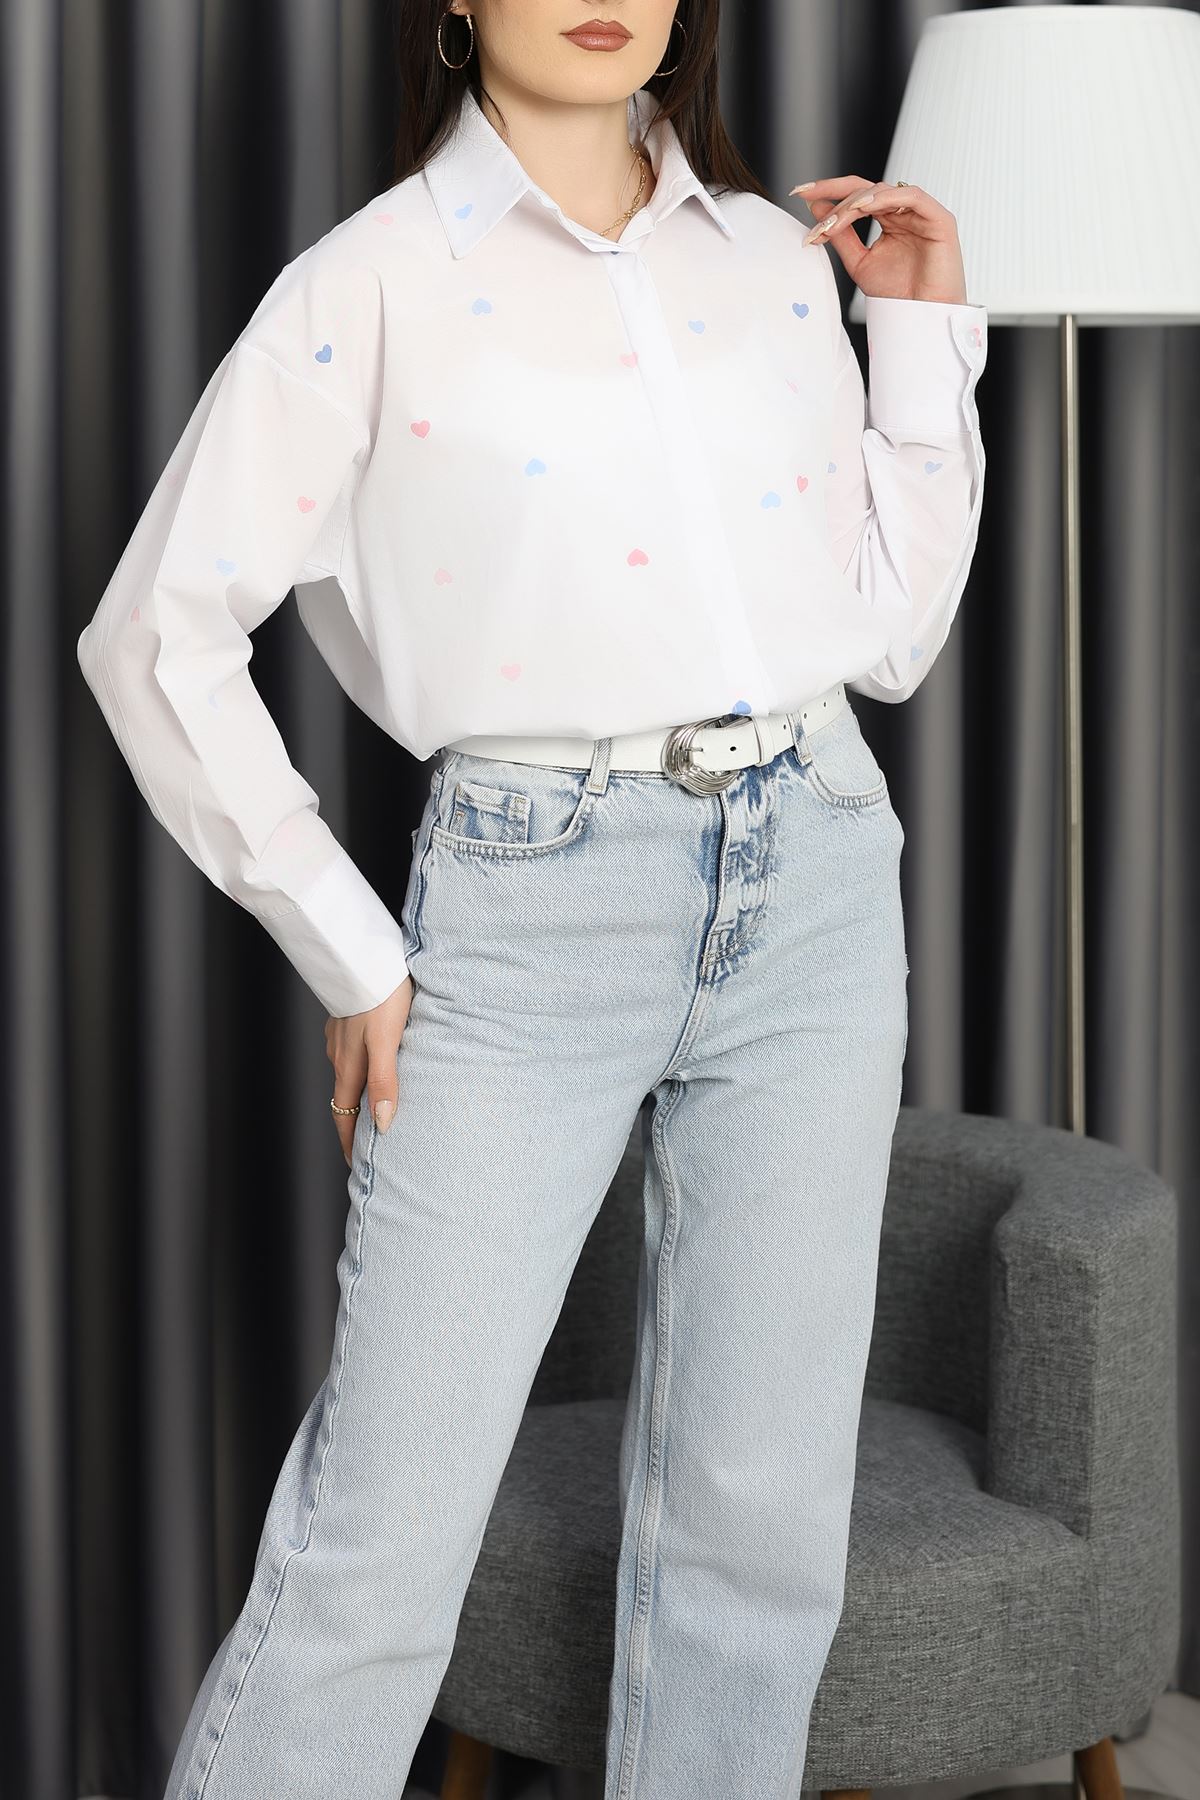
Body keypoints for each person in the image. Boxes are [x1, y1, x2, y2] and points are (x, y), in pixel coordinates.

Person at [76, 2, 988, 1794]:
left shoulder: (770, 261)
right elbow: (151, 637)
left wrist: (920, 337)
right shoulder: (367, 287)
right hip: (531, 904)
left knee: (758, 1537)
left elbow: (890, 639)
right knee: (379, 1547)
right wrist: (351, 948)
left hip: (815, 872)